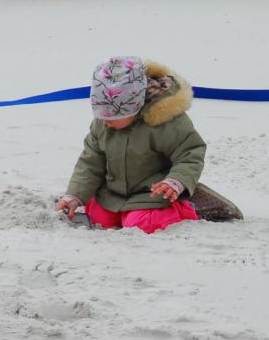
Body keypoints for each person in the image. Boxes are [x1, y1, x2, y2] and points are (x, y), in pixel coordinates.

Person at [55, 57, 206, 233]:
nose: (105, 123)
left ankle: (185, 209)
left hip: (153, 195)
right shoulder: (103, 125)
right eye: (100, 116)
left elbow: (190, 153)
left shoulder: (165, 123)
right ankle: (124, 213)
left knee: (139, 224)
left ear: (133, 108)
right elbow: (90, 161)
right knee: (98, 218)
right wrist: (75, 195)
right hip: (114, 194)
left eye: (111, 117)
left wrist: (176, 181)